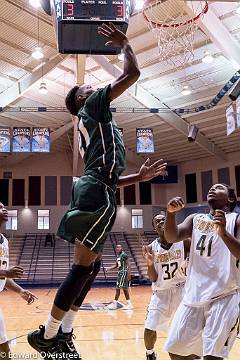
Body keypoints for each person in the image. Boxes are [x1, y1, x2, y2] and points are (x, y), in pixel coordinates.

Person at [28, 23, 167, 357]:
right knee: (82, 267)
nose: (92, 85)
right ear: (81, 99)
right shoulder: (92, 108)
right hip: (95, 191)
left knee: (89, 266)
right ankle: (48, 335)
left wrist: (139, 179)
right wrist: (126, 44)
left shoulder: (96, 121)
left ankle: (63, 331)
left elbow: (108, 177)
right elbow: (132, 74)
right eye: (85, 86)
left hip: (98, 188)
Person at [164, 183, 240, 360]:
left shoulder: (235, 220)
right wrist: (170, 214)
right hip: (193, 296)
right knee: (176, 351)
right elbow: (171, 236)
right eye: (211, 187)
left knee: (212, 356)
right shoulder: (195, 218)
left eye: (219, 187)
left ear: (229, 198)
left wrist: (223, 234)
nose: (212, 189)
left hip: (225, 295)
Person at [143, 213, 189, 360]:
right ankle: (150, 354)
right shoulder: (151, 248)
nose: (162, 222)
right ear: (154, 227)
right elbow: (153, 277)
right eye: (158, 221)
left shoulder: (184, 242)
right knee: (149, 328)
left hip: (182, 290)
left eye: (164, 219)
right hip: (161, 292)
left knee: (185, 328)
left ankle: (187, 353)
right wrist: (150, 264)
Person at [0, 202, 37, 359]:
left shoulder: (5, 241)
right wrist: (7, 272)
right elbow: (4, 273)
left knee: (4, 348)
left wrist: (20, 291)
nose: (4, 209)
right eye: (0, 207)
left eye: (4, 207)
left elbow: (3, 277)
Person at [105, 244, 133, 310]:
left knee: (118, 288)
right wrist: (109, 268)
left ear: (121, 248)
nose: (118, 248)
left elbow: (129, 263)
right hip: (120, 272)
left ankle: (115, 303)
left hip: (123, 272)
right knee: (125, 289)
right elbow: (116, 265)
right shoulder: (118, 256)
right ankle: (129, 304)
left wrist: (129, 273)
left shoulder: (124, 254)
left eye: (119, 247)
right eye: (117, 247)